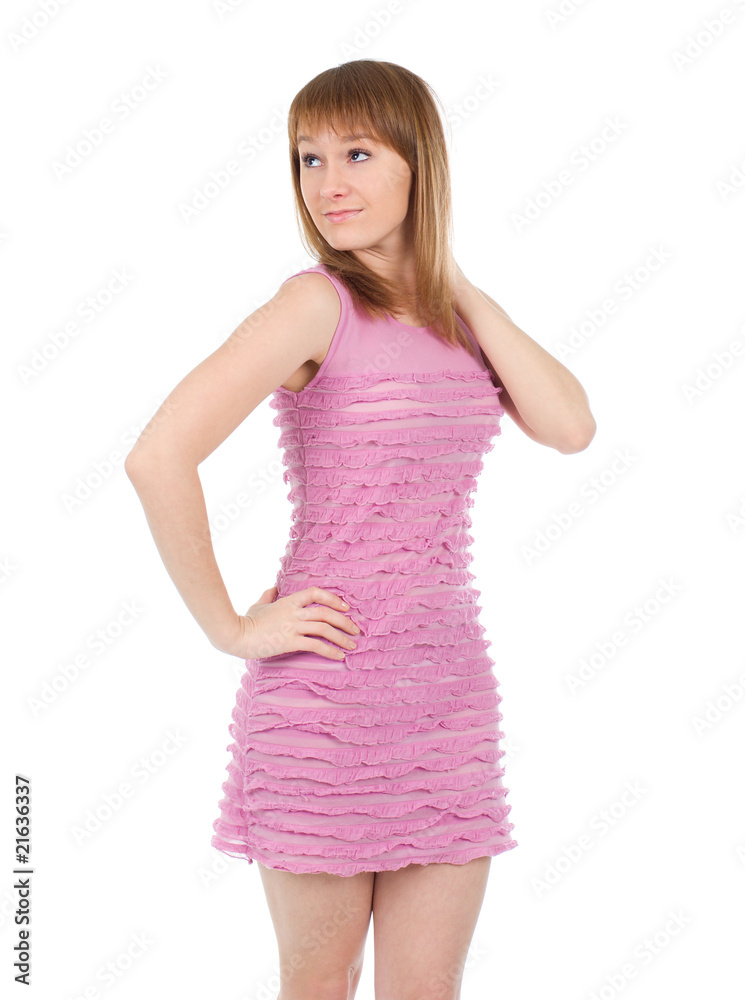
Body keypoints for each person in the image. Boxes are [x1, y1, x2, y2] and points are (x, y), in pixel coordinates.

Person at [125, 59, 595, 1000]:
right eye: (307, 158)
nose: (326, 183)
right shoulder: (314, 304)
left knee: (427, 989)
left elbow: (570, 427)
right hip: (325, 698)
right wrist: (229, 627)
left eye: (356, 154)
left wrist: (449, 279)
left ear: (420, 163)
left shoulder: (459, 319)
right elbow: (158, 455)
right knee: (321, 980)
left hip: (447, 701)